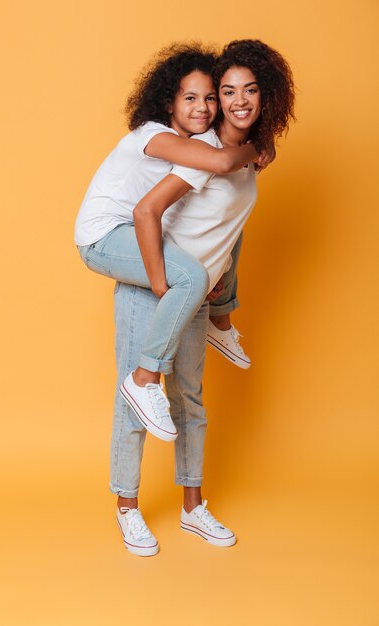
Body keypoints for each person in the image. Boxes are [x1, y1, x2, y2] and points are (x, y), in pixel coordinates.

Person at [109, 39, 296, 555]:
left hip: (193, 292)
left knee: (189, 400)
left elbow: (228, 225)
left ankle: (192, 508)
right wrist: (169, 283)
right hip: (156, 286)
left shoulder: (247, 156)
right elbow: (148, 212)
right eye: (227, 91)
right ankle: (127, 509)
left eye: (248, 90)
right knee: (135, 402)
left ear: (267, 95)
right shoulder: (203, 156)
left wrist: (218, 287)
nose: (237, 101)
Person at [75, 44, 267, 443]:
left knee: (229, 215)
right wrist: (259, 147)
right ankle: (145, 379)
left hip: (136, 231)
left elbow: (220, 170)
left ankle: (221, 316)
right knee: (191, 277)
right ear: (168, 103)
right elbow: (219, 162)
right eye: (191, 98)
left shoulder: (193, 144)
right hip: (102, 236)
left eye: (211, 98)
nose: (204, 108)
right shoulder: (156, 135)